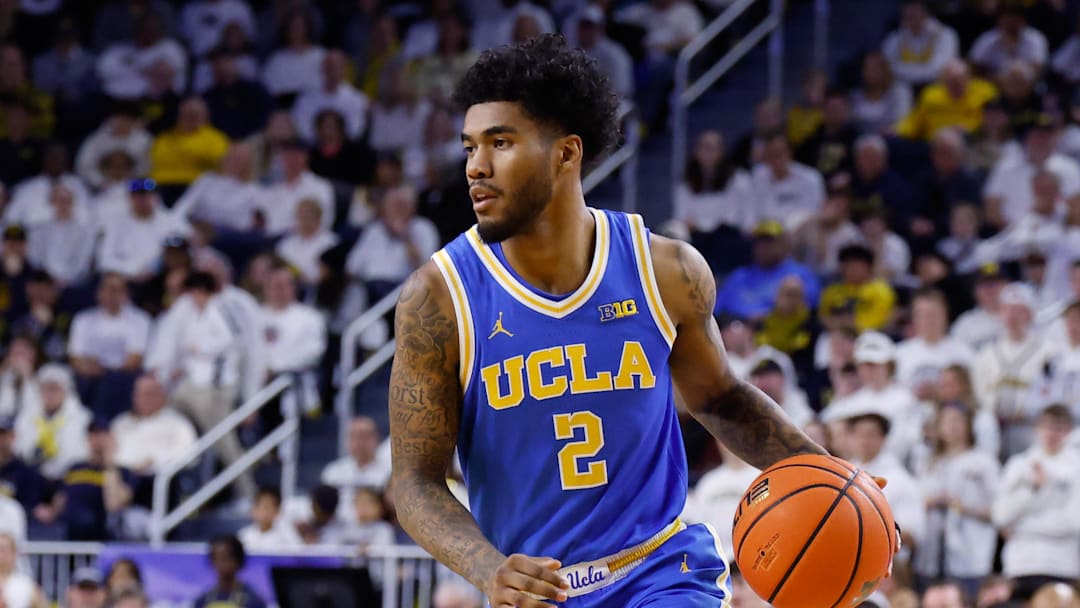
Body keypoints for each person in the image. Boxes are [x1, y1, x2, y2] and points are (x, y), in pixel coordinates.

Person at [388, 35, 891, 608]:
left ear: (566, 154)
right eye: (469, 147)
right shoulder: (438, 298)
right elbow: (415, 482)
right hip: (538, 593)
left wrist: (839, 482)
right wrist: (488, 569)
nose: (476, 167)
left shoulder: (664, 270)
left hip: (659, 572)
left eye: (500, 143)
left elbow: (721, 399)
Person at [192, 536, 266, 608]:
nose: (220, 564)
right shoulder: (202, 601)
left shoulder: (253, 601)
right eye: (215, 559)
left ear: (238, 561)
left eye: (224, 559)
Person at [237, 486, 302, 552]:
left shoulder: (287, 536)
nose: (263, 512)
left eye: (267, 507)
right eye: (259, 506)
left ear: (278, 510)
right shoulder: (244, 536)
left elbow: (298, 554)